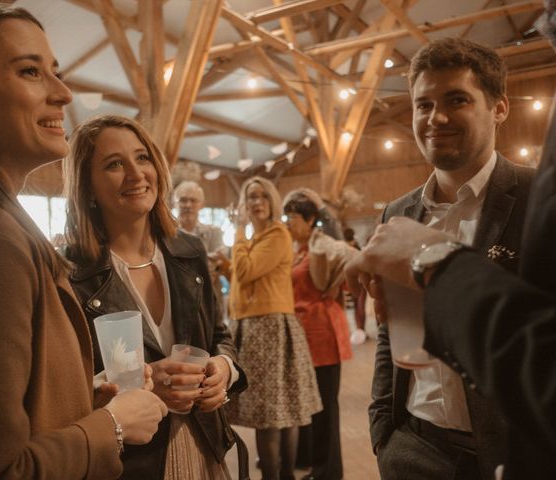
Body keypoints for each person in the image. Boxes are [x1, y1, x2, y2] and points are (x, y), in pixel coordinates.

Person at [0, 5, 167, 479]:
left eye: (57, 72)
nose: (64, 93)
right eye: (30, 71)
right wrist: (111, 426)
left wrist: (77, 397)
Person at [345, 14, 556, 479]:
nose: (435, 118)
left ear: (499, 108)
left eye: (456, 100)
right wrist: (385, 435)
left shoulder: (537, 195)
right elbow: (389, 333)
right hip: (415, 447)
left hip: (504, 454)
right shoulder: (397, 213)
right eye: (423, 105)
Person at [63, 114, 248, 480]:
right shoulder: (71, 274)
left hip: (204, 446)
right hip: (130, 462)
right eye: (115, 164)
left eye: (142, 157)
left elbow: (220, 338)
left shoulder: (189, 251)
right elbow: (64, 390)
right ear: (86, 186)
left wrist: (222, 372)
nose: (136, 174)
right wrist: (142, 385)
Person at [226, 176, 322, 480]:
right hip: (254, 326)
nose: (256, 203)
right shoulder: (258, 238)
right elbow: (244, 277)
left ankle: (278, 477)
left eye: (262, 197)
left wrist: (238, 231)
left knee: (274, 414)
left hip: (268, 327)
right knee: (277, 413)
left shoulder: (277, 234)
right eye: (251, 197)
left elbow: (245, 269)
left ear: (272, 202)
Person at [283, 190, 356, 480]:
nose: (289, 223)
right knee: (310, 406)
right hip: (305, 337)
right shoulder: (298, 248)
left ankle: (329, 472)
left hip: (323, 334)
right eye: (286, 217)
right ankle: (315, 464)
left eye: (294, 218)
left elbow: (350, 255)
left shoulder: (321, 244)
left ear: (311, 219)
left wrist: (334, 283)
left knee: (326, 408)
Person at [173, 180, 228, 313]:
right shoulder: (166, 235)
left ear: (201, 204)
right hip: (177, 301)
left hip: (208, 300)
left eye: (193, 200)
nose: (188, 205)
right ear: (175, 203)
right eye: (183, 200)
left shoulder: (213, 232)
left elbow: (221, 260)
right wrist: (206, 258)